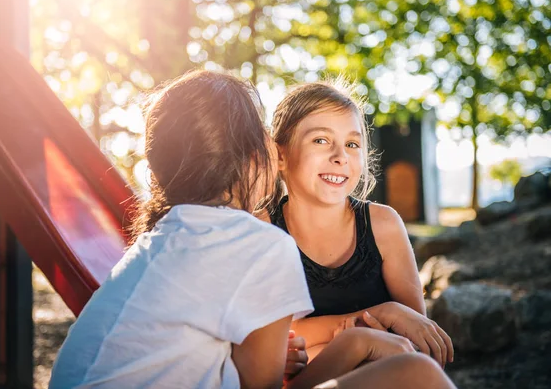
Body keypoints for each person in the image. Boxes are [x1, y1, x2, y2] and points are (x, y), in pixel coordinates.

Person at [49, 70, 455, 389]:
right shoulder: (259, 242)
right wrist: (355, 341)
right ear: (258, 157)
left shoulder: (162, 238)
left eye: (352, 144)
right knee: (416, 378)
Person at [263, 78, 453, 366]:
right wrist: (384, 315)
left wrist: (328, 340)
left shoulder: (383, 225)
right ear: (280, 156)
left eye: (352, 144)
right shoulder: (261, 230)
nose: (341, 157)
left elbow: (415, 338)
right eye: (321, 140)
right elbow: (273, 341)